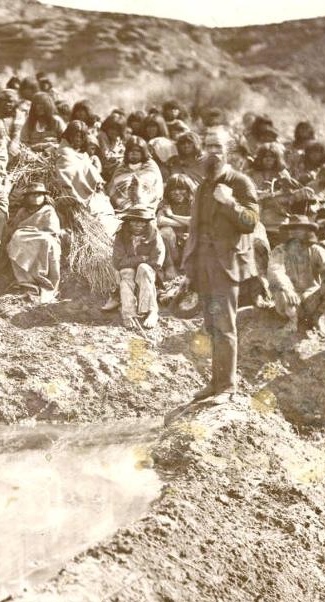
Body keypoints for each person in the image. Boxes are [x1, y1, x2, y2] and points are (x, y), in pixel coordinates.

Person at [182, 130, 259, 405]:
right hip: (203, 264)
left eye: (218, 146)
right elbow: (194, 228)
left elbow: (250, 222)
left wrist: (230, 203)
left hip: (226, 265)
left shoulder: (239, 182)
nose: (212, 151)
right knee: (212, 326)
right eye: (208, 146)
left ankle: (227, 387)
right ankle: (215, 383)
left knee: (225, 326)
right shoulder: (203, 185)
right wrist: (189, 264)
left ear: (228, 151)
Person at [267, 214, 325, 331]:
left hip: (311, 298)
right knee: (279, 287)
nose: (295, 232)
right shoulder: (280, 251)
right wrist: (288, 289)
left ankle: (317, 318)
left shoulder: (315, 250)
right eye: (293, 229)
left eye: (300, 229)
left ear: (307, 231)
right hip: (288, 301)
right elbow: (275, 270)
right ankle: (292, 321)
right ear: (288, 232)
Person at [6, 182, 62, 303]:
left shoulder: (48, 210)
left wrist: (35, 233)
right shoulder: (22, 211)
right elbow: (15, 227)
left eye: (39, 195)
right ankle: (26, 281)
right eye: (33, 195)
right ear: (27, 197)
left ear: (44, 197)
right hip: (24, 239)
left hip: (44, 238)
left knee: (45, 241)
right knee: (16, 238)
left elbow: (52, 230)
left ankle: (41, 278)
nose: (36, 197)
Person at [113, 205, 165, 329]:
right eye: (134, 222)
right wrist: (141, 258)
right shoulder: (121, 235)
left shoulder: (154, 235)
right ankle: (128, 313)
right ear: (128, 222)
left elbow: (156, 262)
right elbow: (118, 262)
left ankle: (151, 311)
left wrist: (138, 262)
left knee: (143, 268)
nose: (138, 226)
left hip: (149, 274)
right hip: (127, 271)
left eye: (142, 223)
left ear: (146, 223)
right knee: (126, 272)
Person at [107, 136, 163, 216]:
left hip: (146, 206)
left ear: (143, 152)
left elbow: (157, 189)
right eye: (131, 150)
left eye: (138, 151)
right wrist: (125, 203)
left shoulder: (151, 166)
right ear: (127, 152)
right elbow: (112, 190)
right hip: (123, 209)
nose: (134, 153)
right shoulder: (121, 167)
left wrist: (140, 198)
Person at [157, 173, 197, 280]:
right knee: (165, 231)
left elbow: (195, 221)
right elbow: (160, 220)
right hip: (173, 248)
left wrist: (171, 215)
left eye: (181, 189)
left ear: (188, 190)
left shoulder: (194, 203)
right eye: (173, 190)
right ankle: (170, 267)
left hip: (190, 248)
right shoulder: (166, 203)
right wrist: (184, 222)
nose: (177, 193)